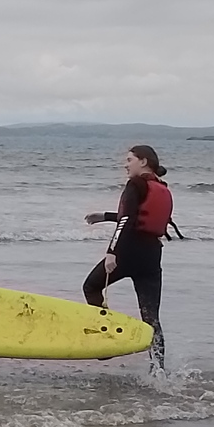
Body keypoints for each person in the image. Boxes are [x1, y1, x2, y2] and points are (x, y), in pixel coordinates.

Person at [83, 145, 177, 371]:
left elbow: (127, 222)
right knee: (151, 317)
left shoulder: (135, 184)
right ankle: (158, 370)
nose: (125, 164)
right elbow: (138, 216)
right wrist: (104, 216)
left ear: (143, 161)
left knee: (91, 287)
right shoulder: (160, 186)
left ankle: (105, 342)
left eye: (129, 160)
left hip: (128, 252)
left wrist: (111, 252)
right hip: (152, 255)